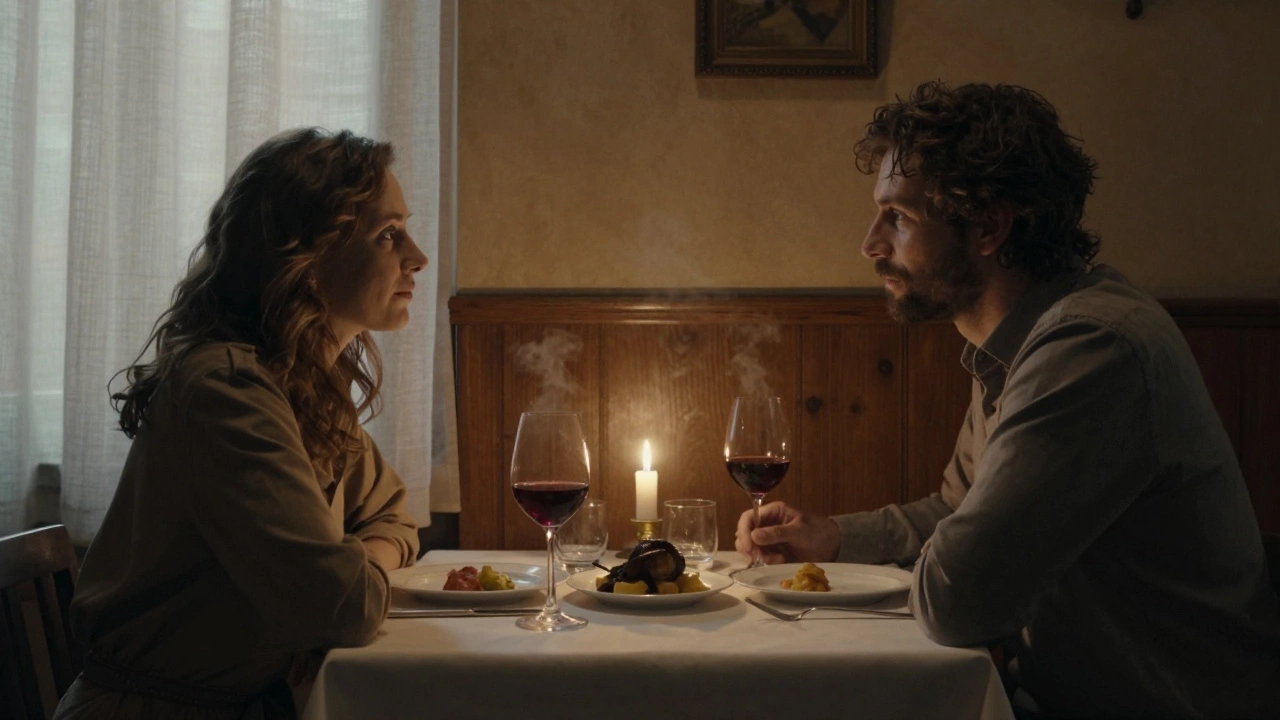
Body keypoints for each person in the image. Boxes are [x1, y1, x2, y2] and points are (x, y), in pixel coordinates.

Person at [736, 81, 1280, 719]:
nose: (871, 244)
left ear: (990, 226)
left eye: (900, 218)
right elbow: (955, 511)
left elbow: (959, 597)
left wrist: (959, 552)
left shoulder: (1087, 349)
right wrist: (832, 538)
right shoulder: (1016, 338)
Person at [54, 127, 427, 719]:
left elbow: (393, 515)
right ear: (307, 257)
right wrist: (341, 591)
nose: (417, 257)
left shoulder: (304, 385)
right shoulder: (227, 391)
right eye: (389, 235)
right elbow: (344, 608)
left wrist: (351, 571)